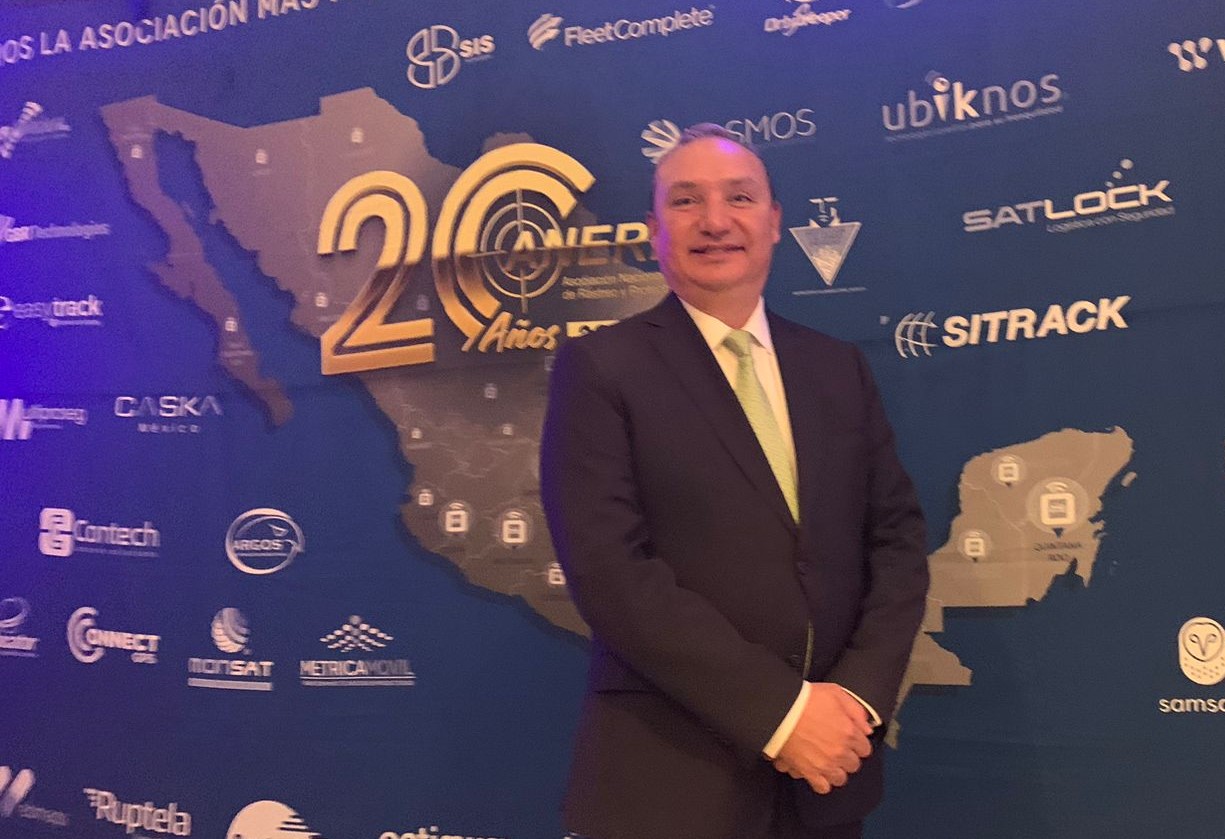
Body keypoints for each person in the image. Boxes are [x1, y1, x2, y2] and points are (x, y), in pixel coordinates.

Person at [540, 123, 929, 839]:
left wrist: (854, 699)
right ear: (654, 230)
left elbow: (897, 541)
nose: (715, 221)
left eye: (739, 198)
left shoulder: (837, 369)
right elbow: (610, 573)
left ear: (774, 221)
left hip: (828, 778)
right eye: (686, 201)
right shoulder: (601, 369)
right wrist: (783, 715)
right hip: (670, 786)